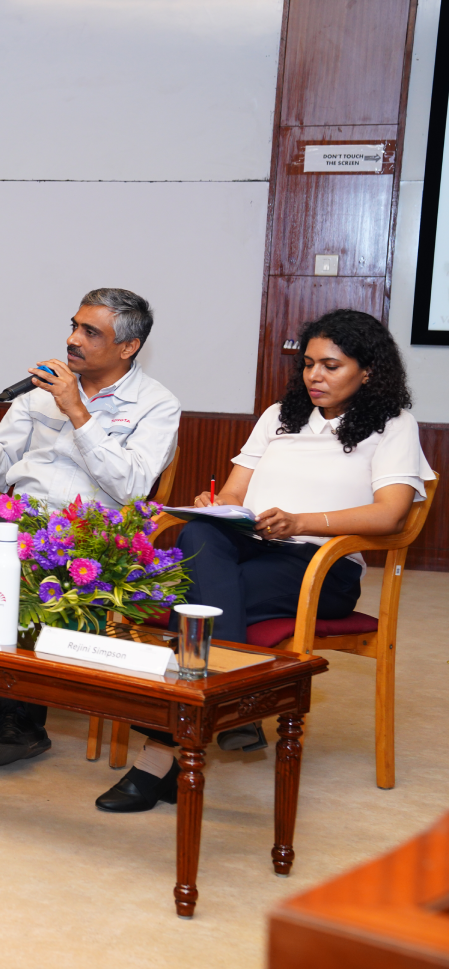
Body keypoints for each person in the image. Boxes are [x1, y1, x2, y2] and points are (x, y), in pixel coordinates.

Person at [97, 308, 434, 813]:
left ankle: (158, 756)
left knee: (195, 605)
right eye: (308, 364)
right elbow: (235, 492)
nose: (314, 376)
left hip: (321, 564)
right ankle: (234, 704)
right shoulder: (279, 416)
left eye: (331, 366)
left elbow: (389, 515)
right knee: (199, 533)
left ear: (368, 371)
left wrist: (299, 523)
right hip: (249, 544)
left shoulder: (392, 424)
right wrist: (217, 508)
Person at [0, 288, 180, 766]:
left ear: (128, 347)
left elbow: (131, 486)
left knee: (30, 585)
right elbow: (1, 476)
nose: (72, 340)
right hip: (24, 517)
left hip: (92, 532)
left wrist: (78, 412)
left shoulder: (156, 404)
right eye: (74, 326)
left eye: (90, 332)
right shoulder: (38, 392)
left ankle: (22, 723)